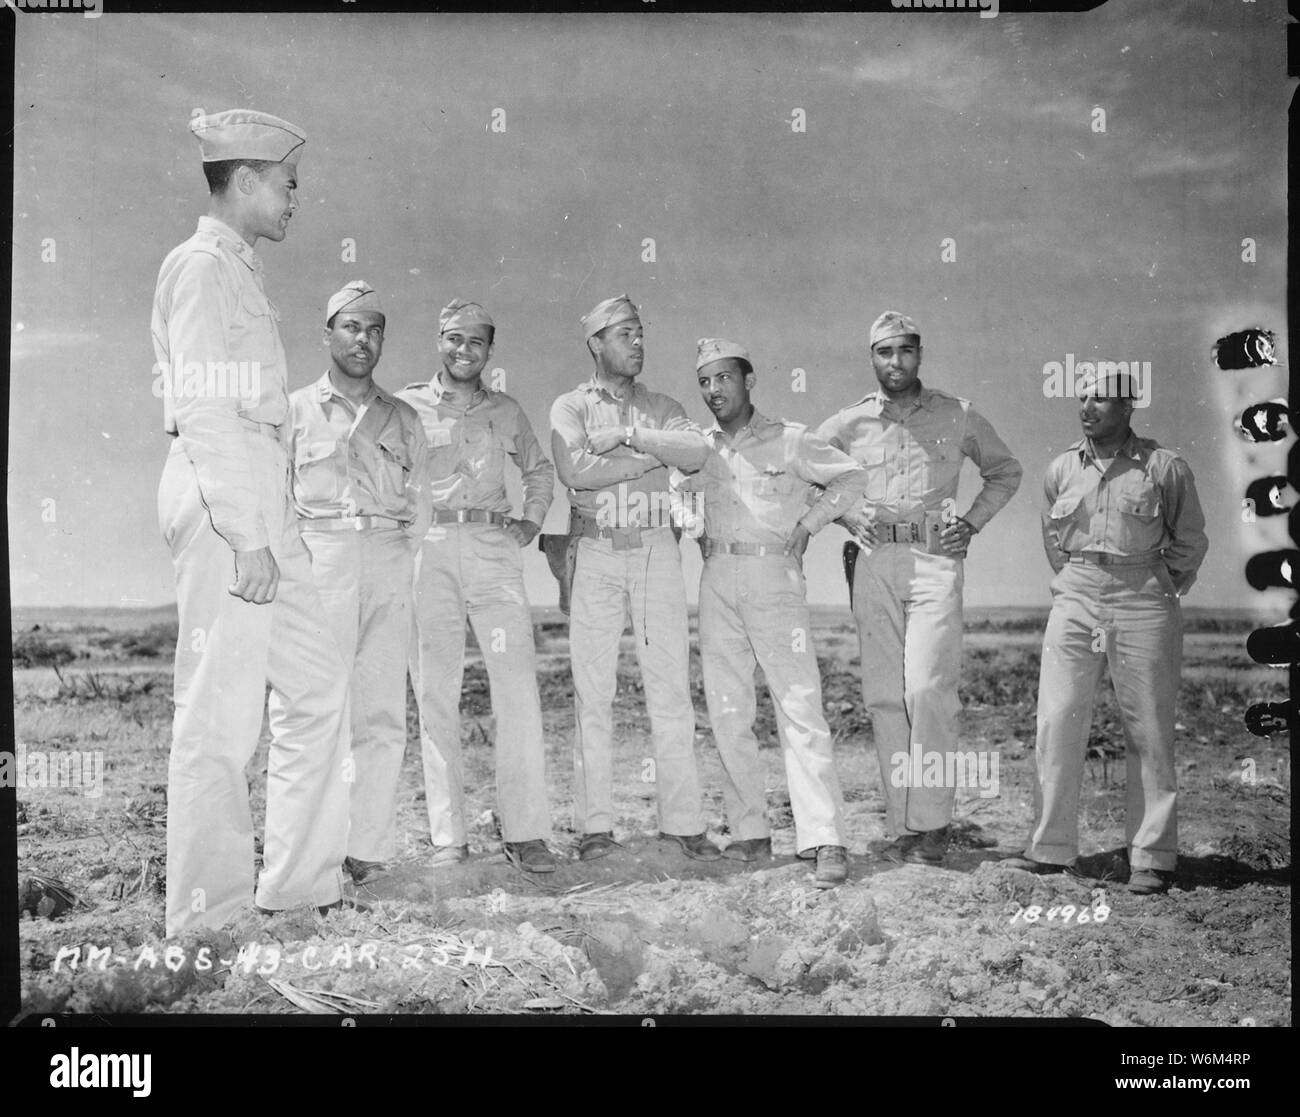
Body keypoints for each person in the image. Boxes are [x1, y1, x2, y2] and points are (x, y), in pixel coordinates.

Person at [153, 109, 352, 936]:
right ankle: (209, 916)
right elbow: (203, 408)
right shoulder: (199, 268)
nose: (295, 198)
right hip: (223, 496)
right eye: (286, 182)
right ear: (242, 181)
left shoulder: (238, 271)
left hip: (266, 497)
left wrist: (274, 521)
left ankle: (299, 886)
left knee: (316, 682)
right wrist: (246, 531)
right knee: (220, 711)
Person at [818, 311, 1022, 866]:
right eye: (884, 352)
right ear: (873, 359)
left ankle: (932, 825)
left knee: (928, 689)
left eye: (905, 351)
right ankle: (901, 825)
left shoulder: (958, 414)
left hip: (935, 557)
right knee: (885, 697)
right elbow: (803, 468)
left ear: (919, 355)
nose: (895, 362)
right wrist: (845, 514)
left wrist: (973, 521)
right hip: (874, 559)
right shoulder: (848, 424)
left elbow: (1005, 470)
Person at [1003, 368, 1208, 894]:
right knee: (1056, 720)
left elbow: (1189, 543)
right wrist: (1081, 581)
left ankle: (1152, 857)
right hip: (1076, 593)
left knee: (1149, 729)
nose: (1088, 406)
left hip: (1144, 594)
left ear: (1129, 405)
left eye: (1102, 398)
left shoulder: (1164, 467)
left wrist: (1152, 585)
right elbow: (1054, 540)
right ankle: (1049, 849)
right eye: (1084, 396)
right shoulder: (1060, 469)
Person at [683, 338, 869, 887]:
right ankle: (749, 833)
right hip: (717, 577)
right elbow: (678, 486)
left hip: (774, 577)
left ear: (748, 380)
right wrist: (688, 519)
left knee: (799, 705)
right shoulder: (701, 448)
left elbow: (851, 477)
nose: (714, 390)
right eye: (705, 381)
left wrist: (809, 526)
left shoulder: (789, 440)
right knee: (727, 709)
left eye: (724, 378)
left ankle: (825, 840)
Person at [550, 294, 718, 862]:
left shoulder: (664, 407)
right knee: (592, 692)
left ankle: (684, 824)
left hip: (653, 549)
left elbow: (695, 451)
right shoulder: (570, 407)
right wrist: (653, 460)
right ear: (596, 342)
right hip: (596, 550)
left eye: (641, 332)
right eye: (624, 334)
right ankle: (595, 827)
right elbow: (576, 469)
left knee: (669, 688)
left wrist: (632, 437)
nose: (638, 342)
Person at [398, 299, 557, 872]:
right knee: (435, 690)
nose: (464, 351)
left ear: (490, 351)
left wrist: (532, 520)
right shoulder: (407, 406)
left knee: (516, 688)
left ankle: (527, 833)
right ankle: (449, 839)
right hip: (431, 550)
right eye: (454, 339)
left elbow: (538, 469)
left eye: (476, 343)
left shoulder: (508, 411)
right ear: (439, 340)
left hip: (494, 549)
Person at [288, 281, 428, 888]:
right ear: (327, 334)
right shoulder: (294, 411)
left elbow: (419, 502)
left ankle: (366, 850)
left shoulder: (403, 418)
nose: (363, 340)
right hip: (322, 556)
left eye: (373, 330)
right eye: (350, 327)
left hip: (389, 555)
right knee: (318, 710)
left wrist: (393, 554)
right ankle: (310, 856)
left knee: (380, 711)